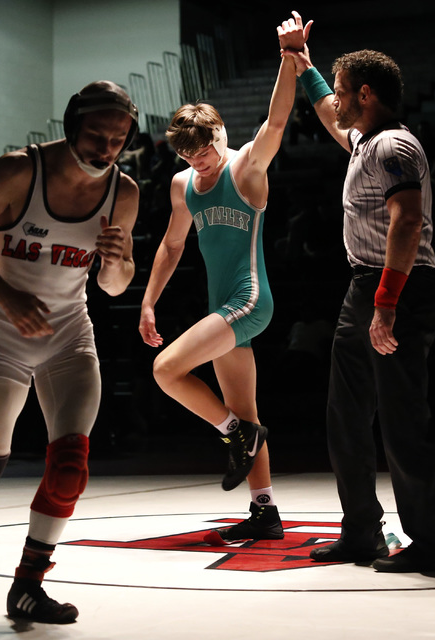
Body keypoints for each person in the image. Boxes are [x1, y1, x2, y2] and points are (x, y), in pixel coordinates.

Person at [0, 80, 140, 622]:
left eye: (117, 139)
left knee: (71, 465)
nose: (105, 148)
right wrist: (6, 292)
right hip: (2, 338)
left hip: (70, 337)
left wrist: (116, 262)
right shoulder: (19, 170)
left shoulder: (125, 192)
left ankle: (27, 585)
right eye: (95, 134)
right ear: (71, 126)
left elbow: (114, 286)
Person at [283, 12, 435, 573]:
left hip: (399, 290)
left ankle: (432, 542)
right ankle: (362, 531)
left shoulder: (396, 148)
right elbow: (327, 116)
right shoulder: (365, 141)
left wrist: (385, 305)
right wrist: (302, 62)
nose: (334, 101)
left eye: (340, 91)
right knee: (346, 416)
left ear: (365, 93)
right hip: (365, 288)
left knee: (403, 419)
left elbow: (406, 224)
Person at [138, 12, 308, 545]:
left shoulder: (245, 168)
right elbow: (170, 245)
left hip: (249, 300)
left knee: (166, 371)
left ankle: (237, 435)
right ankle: (265, 510)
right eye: (189, 156)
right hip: (222, 306)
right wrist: (148, 303)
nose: (200, 163)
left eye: (205, 150)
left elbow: (276, 123)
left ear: (220, 134)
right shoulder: (183, 184)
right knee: (244, 407)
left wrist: (288, 60)